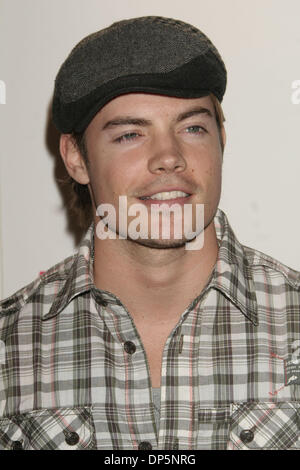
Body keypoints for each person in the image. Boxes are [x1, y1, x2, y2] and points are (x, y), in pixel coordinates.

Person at [0, 16, 299, 451]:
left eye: (192, 128)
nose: (168, 158)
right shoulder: (11, 344)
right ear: (75, 158)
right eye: (130, 135)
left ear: (222, 140)